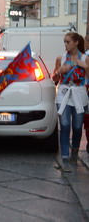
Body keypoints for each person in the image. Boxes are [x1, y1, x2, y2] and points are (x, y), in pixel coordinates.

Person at [52, 32, 88, 172]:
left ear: (76, 43)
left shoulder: (85, 58)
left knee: (78, 127)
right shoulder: (61, 58)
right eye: (64, 42)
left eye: (68, 42)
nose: (65, 45)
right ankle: (65, 158)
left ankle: (75, 150)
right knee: (65, 125)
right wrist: (59, 71)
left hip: (79, 94)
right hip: (64, 93)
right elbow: (54, 79)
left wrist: (85, 67)